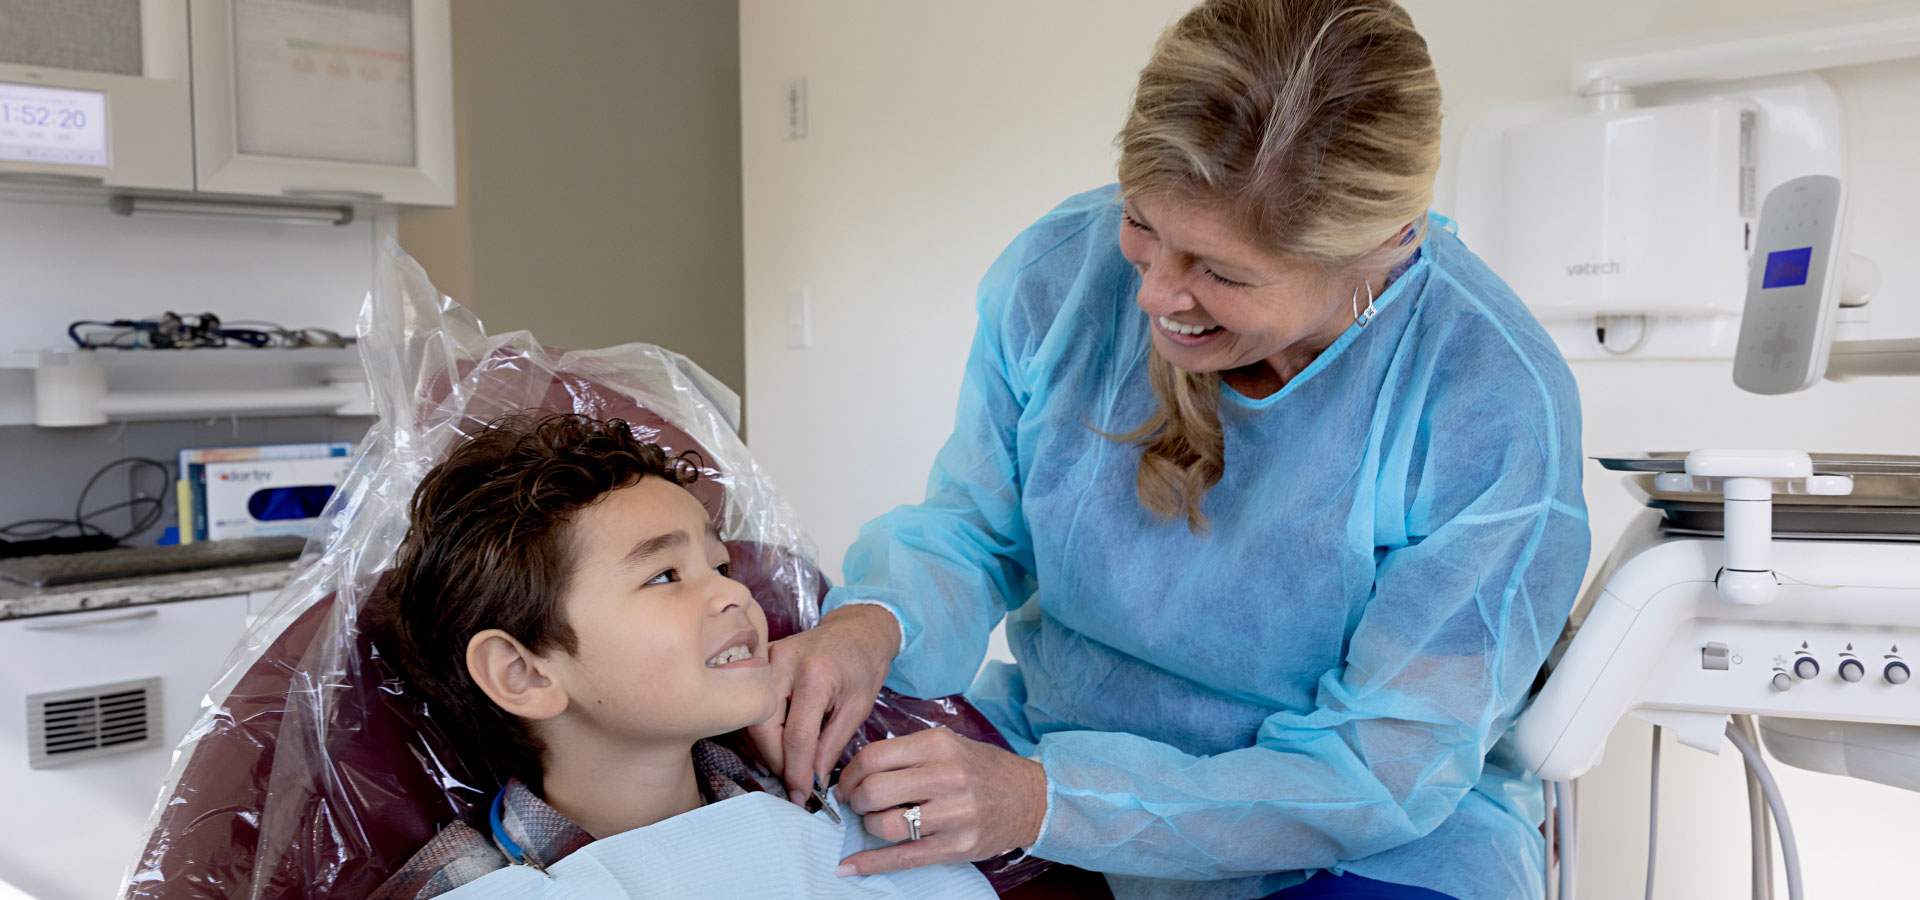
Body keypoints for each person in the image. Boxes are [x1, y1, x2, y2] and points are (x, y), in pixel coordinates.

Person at [749, 2, 1591, 899]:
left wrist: (1051, 803)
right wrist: (874, 624)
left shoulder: (1488, 402)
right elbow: (973, 526)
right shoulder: (1062, 276)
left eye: (1221, 273)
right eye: (1142, 224)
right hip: (1054, 767)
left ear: (1386, 245)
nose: (1153, 294)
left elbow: (1381, 767)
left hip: (1353, 847)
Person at [364, 413, 782, 898]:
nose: (734, 592)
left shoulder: (823, 805)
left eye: (721, 565)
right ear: (522, 674)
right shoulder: (467, 889)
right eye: (665, 575)